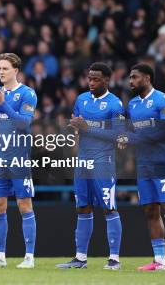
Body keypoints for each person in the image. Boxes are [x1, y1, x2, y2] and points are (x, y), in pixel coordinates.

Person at [56, 63, 124, 270]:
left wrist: (88, 128)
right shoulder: (81, 100)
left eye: (96, 79)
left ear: (106, 81)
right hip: (83, 161)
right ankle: (80, 258)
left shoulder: (115, 104)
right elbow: (78, 127)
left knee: (108, 208)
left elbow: (119, 136)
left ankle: (114, 259)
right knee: (82, 207)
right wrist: (74, 129)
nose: (91, 83)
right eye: (89, 78)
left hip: (103, 162)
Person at [121, 63, 165, 271]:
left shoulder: (162, 99)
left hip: (162, 162)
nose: (131, 81)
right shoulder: (133, 104)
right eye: (130, 77)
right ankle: (159, 260)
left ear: (147, 78)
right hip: (143, 164)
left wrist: (139, 139)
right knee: (150, 210)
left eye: (134, 77)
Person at [0, 53, 37, 269]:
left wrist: (3, 105)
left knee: (24, 204)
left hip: (19, 157)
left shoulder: (27, 94)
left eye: (5, 68)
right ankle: (0, 257)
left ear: (16, 70)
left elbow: (24, 123)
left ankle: (29, 257)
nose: (1, 72)